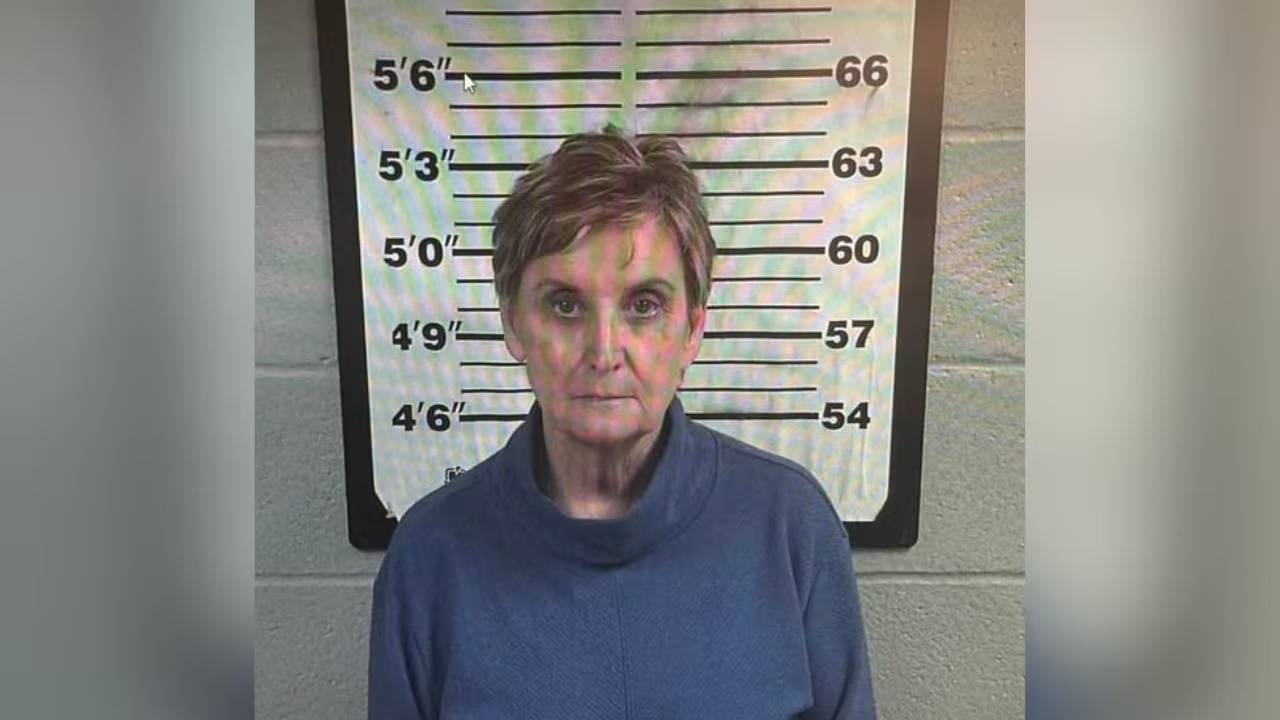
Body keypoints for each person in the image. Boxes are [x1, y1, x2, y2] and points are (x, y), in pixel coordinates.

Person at [368, 125, 878, 719]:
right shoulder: (429, 557)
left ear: (692, 329)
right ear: (513, 324)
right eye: (565, 304)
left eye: (644, 305)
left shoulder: (790, 528)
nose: (604, 350)